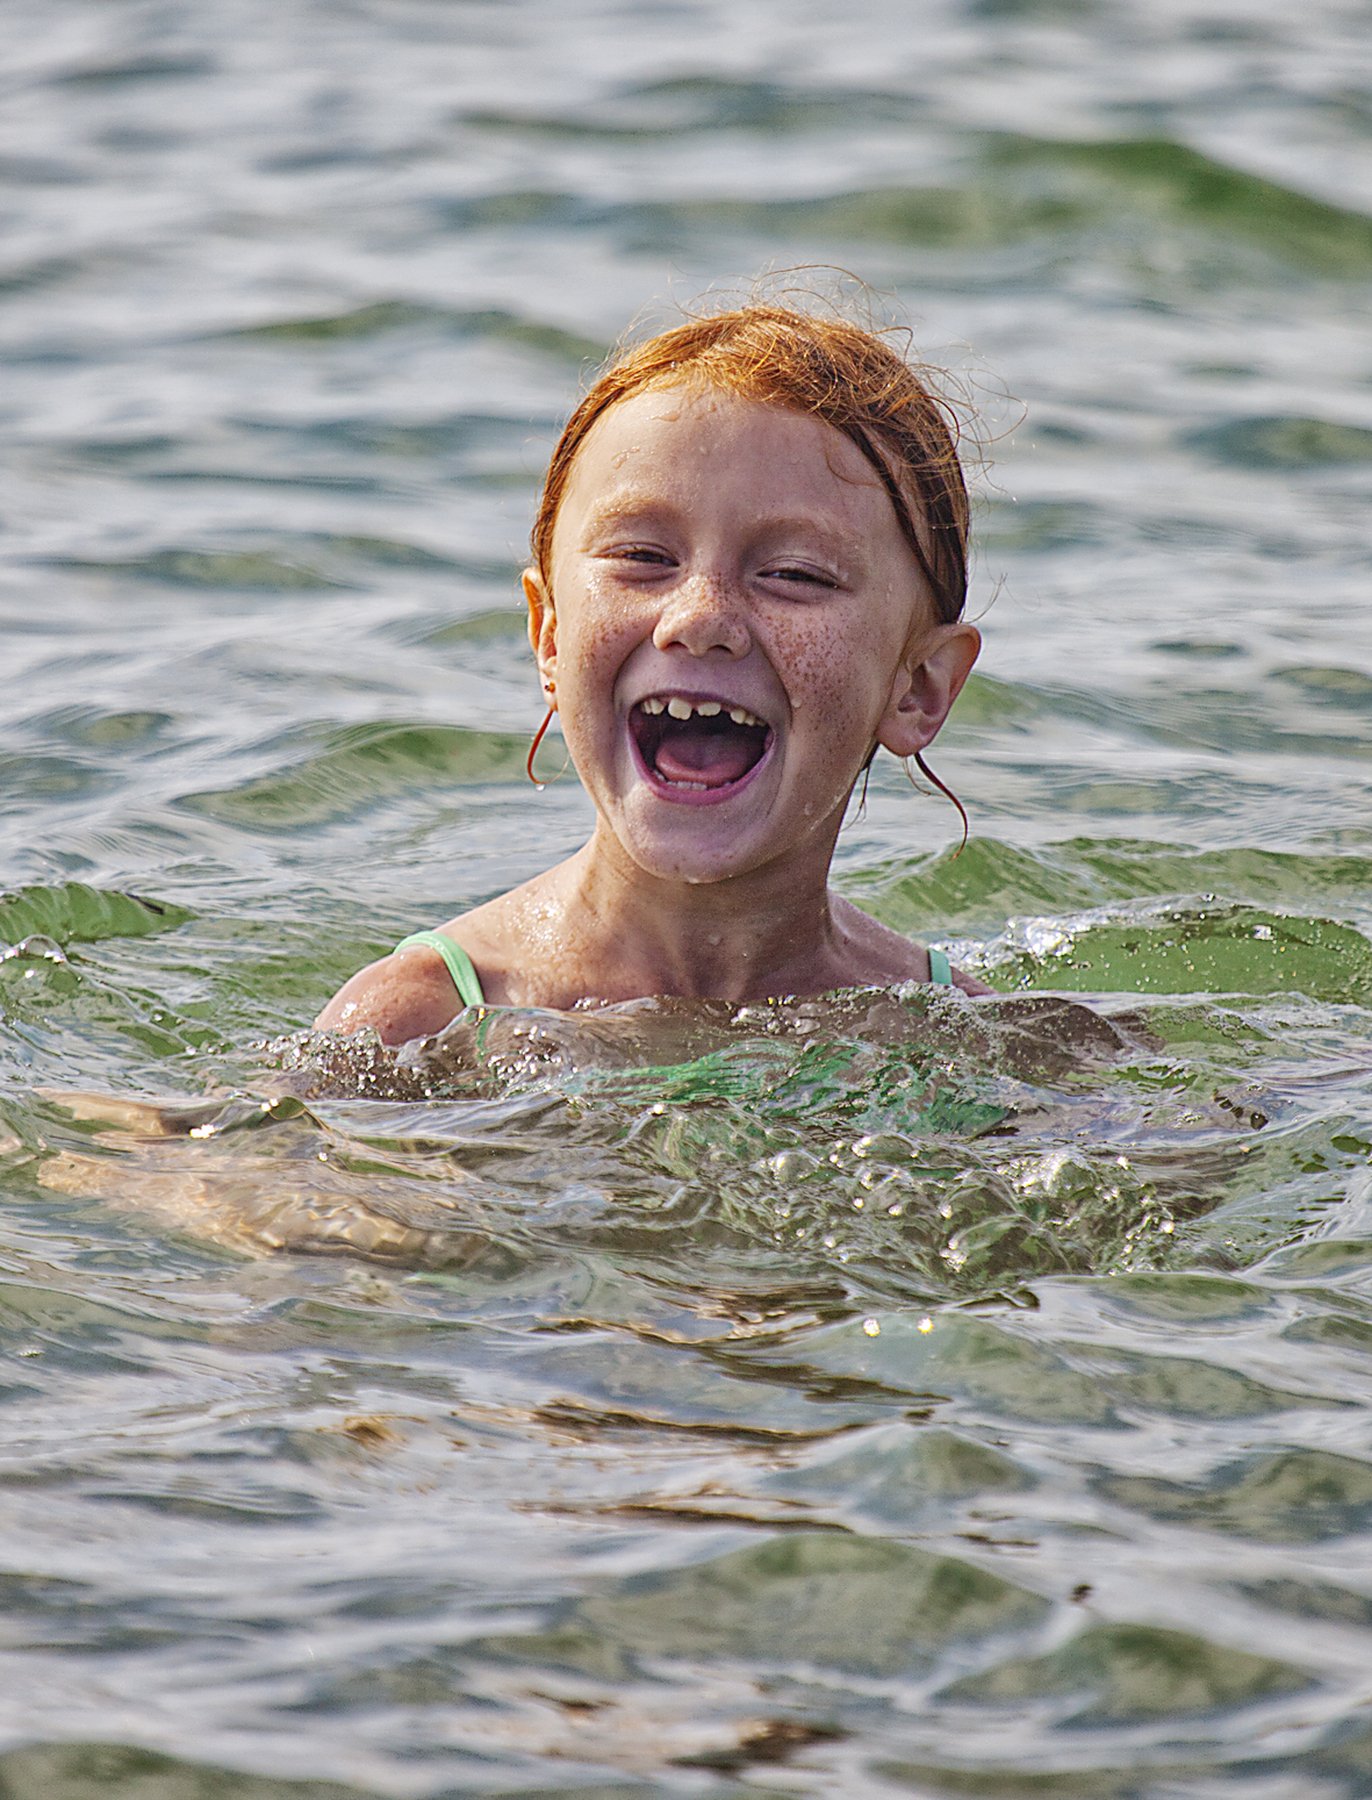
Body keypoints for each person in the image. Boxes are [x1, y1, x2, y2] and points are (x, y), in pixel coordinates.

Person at [317, 300, 989, 1047]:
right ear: (549, 636)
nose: (699, 618)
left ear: (920, 687)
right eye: (642, 557)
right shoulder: (417, 1022)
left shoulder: (967, 1035)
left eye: (795, 574)